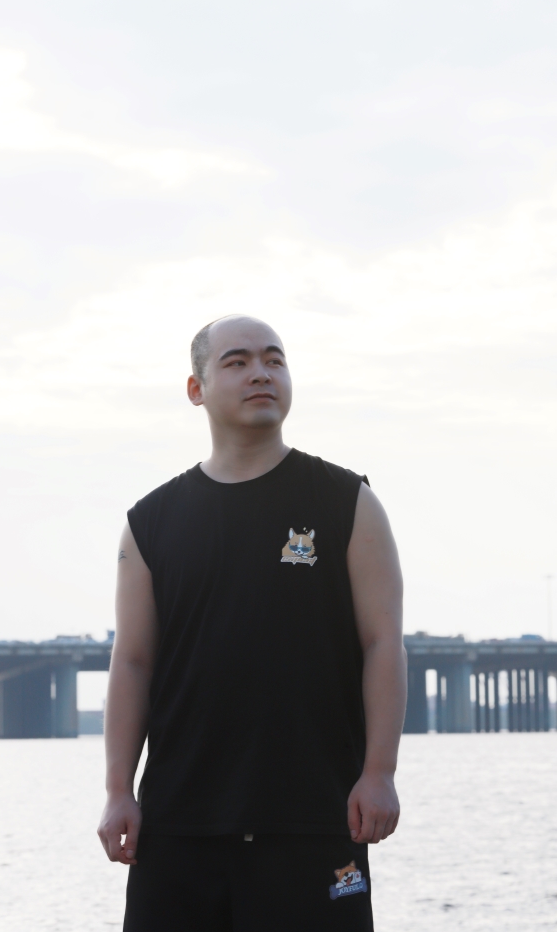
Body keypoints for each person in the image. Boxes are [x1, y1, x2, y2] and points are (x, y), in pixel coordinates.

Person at [98, 314, 406, 932]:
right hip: (179, 824)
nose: (261, 373)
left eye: (274, 359)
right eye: (236, 362)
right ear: (197, 389)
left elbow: (382, 643)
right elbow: (132, 662)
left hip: (315, 817)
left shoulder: (347, 501)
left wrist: (380, 773)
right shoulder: (149, 522)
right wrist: (118, 790)